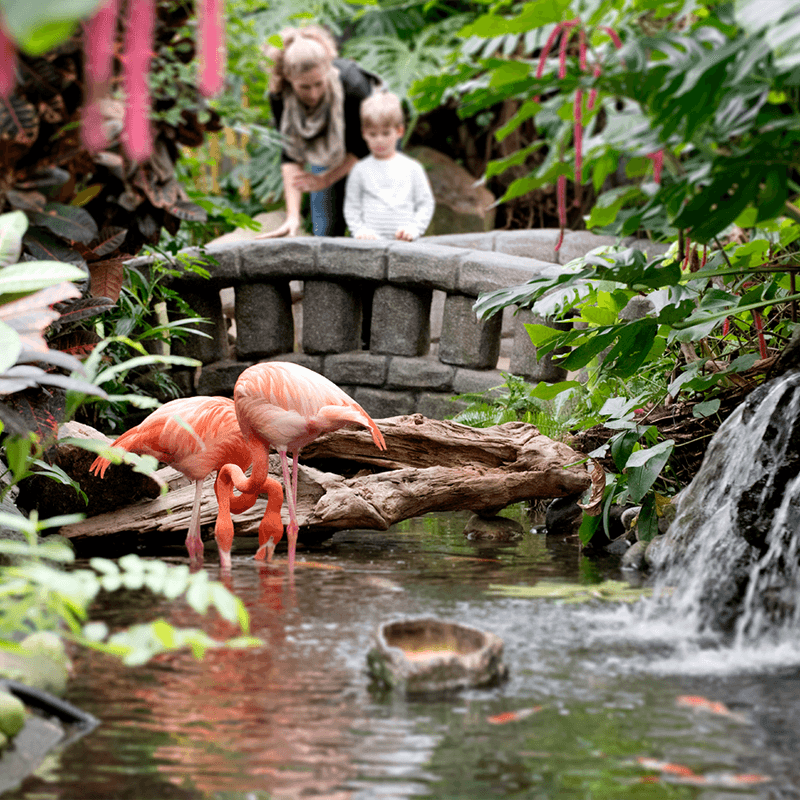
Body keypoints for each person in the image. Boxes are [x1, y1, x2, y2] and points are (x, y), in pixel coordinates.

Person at [258, 26, 382, 238]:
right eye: (304, 87)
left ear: (327, 69)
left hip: (372, 151)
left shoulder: (353, 86)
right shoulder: (280, 96)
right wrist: (293, 217)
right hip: (326, 151)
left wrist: (327, 179)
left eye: (318, 84)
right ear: (288, 77)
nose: (313, 94)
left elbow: (364, 147)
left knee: (367, 234)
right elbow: (290, 154)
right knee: (323, 232)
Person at [343, 92, 435, 241]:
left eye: (386, 133)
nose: (379, 140)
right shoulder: (359, 170)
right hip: (369, 244)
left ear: (399, 131)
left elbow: (426, 203)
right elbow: (352, 206)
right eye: (373, 134)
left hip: (404, 244)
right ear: (364, 133)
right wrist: (359, 230)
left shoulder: (413, 168)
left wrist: (414, 229)